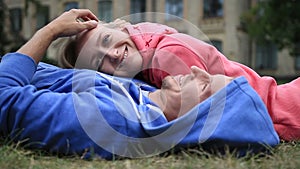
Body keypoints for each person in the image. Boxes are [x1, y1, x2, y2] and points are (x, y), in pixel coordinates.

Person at [0, 9, 280, 159]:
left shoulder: (109, 118)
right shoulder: (144, 98)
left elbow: (4, 99)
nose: (198, 69)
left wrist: (50, 31)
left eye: (205, 85)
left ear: (199, 118)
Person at [59, 19, 300, 141]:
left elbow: (190, 123)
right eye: (99, 62)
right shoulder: (150, 48)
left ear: (122, 28)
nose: (112, 54)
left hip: (278, 111)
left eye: (105, 40)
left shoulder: (168, 56)